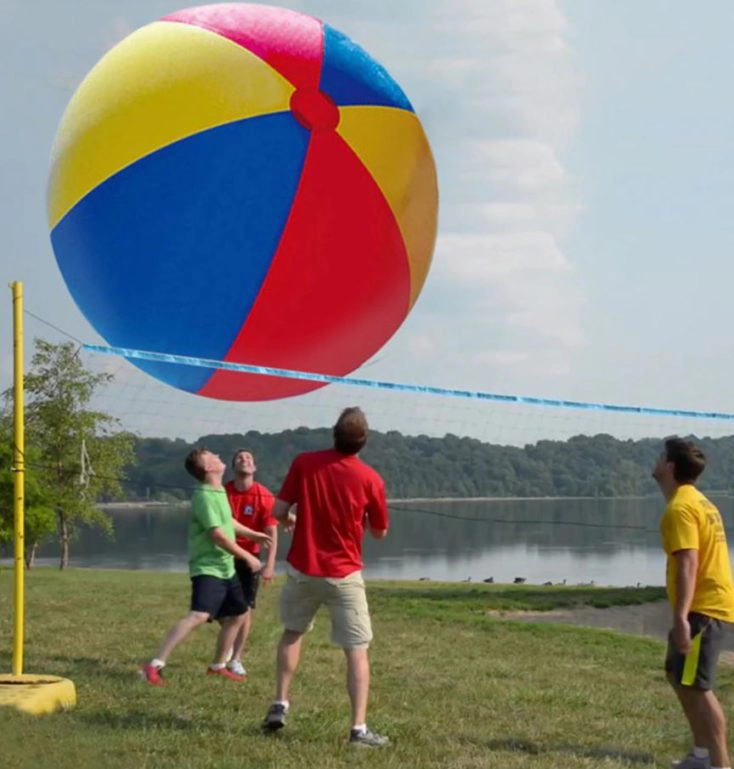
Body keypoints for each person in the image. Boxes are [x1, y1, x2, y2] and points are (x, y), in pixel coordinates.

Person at [261, 407, 390, 747]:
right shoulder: (371, 479)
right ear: (363, 442)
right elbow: (379, 533)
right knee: (357, 651)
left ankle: (279, 703)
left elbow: (276, 511)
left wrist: (290, 515)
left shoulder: (304, 463)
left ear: (334, 435)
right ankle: (358, 730)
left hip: (303, 569)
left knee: (292, 633)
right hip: (344, 574)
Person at [140, 448, 271, 686]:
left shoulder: (219, 491)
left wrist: (253, 534)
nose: (219, 457)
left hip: (225, 567)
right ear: (209, 468)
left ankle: (218, 666)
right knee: (199, 615)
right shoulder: (203, 495)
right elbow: (218, 535)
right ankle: (153, 665)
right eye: (213, 457)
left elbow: (228, 521)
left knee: (239, 614)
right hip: (208, 567)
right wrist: (248, 557)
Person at [653, 437, 734, 769]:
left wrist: (682, 617)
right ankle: (701, 755)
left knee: (699, 687)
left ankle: (720, 763)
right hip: (707, 604)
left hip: (704, 608)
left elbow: (689, 562)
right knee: (677, 674)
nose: (655, 461)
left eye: (660, 456)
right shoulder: (700, 502)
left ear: (670, 466)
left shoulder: (681, 508)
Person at [222, 449, 278, 677]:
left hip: (250, 559)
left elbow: (272, 532)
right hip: (224, 554)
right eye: (239, 458)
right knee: (216, 610)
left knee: (244, 610)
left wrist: (270, 565)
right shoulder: (223, 492)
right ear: (233, 466)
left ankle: (235, 658)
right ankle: (227, 641)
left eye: (249, 459)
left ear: (254, 468)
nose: (244, 460)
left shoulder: (263, 495)